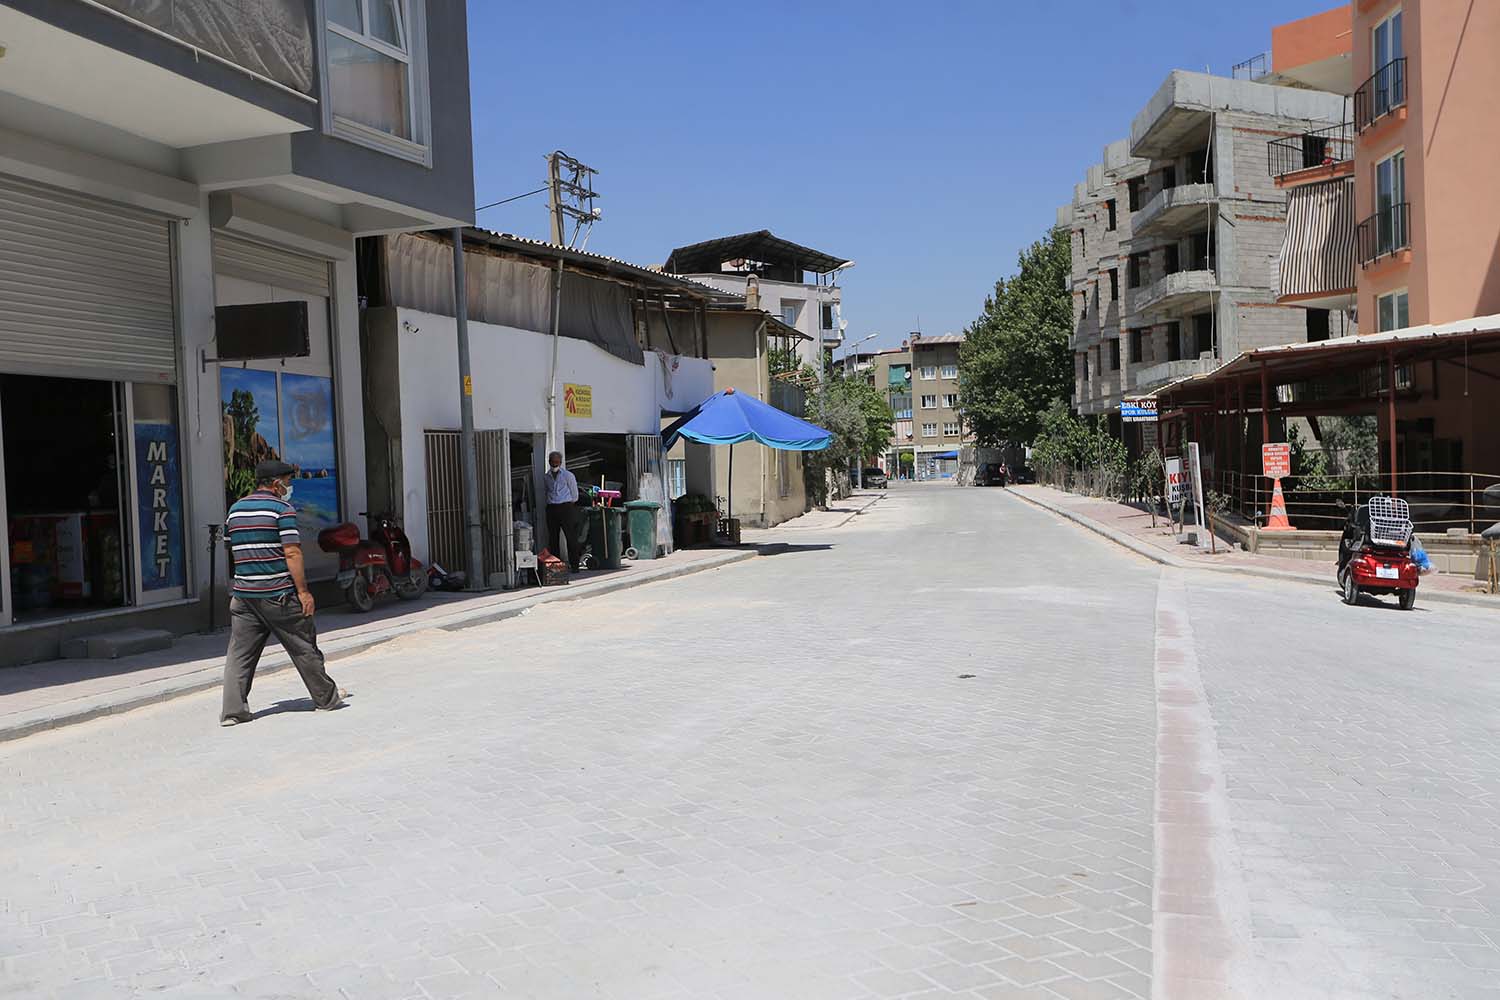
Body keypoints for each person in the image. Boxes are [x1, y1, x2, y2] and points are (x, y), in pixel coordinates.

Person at [220, 460, 346, 726]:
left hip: (243, 595)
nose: (290, 487)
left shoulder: (235, 509)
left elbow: (230, 547)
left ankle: (233, 712)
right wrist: (303, 592)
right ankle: (326, 698)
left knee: (239, 655)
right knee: (303, 646)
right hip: (278, 594)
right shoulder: (281, 509)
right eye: (288, 482)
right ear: (276, 483)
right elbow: (292, 552)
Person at [544, 451, 582, 571]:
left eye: (557, 462)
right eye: (552, 462)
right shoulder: (547, 476)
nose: (554, 464)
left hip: (566, 507)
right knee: (553, 538)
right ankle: (556, 566)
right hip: (552, 508)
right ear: (549, 462)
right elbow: (546, 491)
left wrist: (569, 504)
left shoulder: (568, 475)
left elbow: (574, 493)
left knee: (571, 537)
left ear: (560, 462)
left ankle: (575, 565)